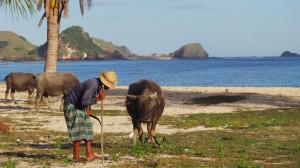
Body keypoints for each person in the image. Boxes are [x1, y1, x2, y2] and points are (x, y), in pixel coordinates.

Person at [63, 71, 117, 162]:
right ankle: (76, 156)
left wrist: (88, 109)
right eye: (109, 85)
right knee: (79, 130)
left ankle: (89, 154)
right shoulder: (93, 85)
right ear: (105, 83)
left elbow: (86, 98)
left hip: (80, 106)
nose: (108, 88)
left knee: (88, 129)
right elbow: (84, 101)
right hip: (72, 105)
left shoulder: (99, 85)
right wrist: (98, 99)